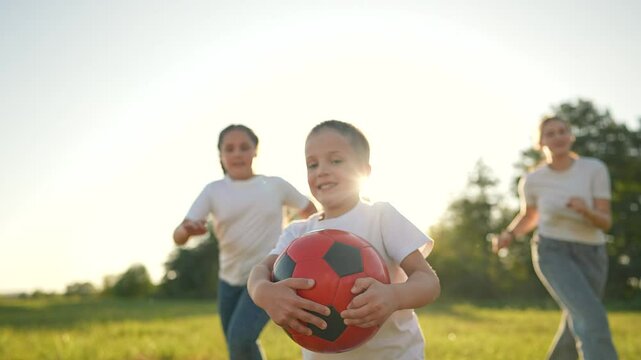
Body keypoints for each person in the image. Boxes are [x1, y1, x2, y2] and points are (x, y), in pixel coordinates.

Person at [247, 120, 441, 359]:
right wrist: (262, 292)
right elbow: (261, 270)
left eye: (336, 160)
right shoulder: (297, 232)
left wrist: (394, 296)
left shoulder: (381, 217)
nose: (321, 171)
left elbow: (428, 282)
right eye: (312, 164)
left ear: (364, 171)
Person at [173, 124, 317, 360]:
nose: (237, 153)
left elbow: (310, 211)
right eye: (229, 149)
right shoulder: (214, 191)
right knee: (237, 346)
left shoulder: (275, 185)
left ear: (255, 151)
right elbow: (178, 236)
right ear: (220, 155)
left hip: (266, 276)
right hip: (228, 281)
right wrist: (186, 230)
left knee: (241, 339)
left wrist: (306, 245)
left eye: (244, 147)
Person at [492, 115, 618, 360]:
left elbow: (606, 221)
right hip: (552, 251)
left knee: (579, 316)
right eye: (550, 133)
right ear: (540, 143)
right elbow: (529, 216)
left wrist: (585, 210)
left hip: (592, 253)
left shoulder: (594, 169)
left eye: (562, 131)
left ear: (571, 136)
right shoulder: (533, 180)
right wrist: (509, 234)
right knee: (591, 317)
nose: (558, 137)